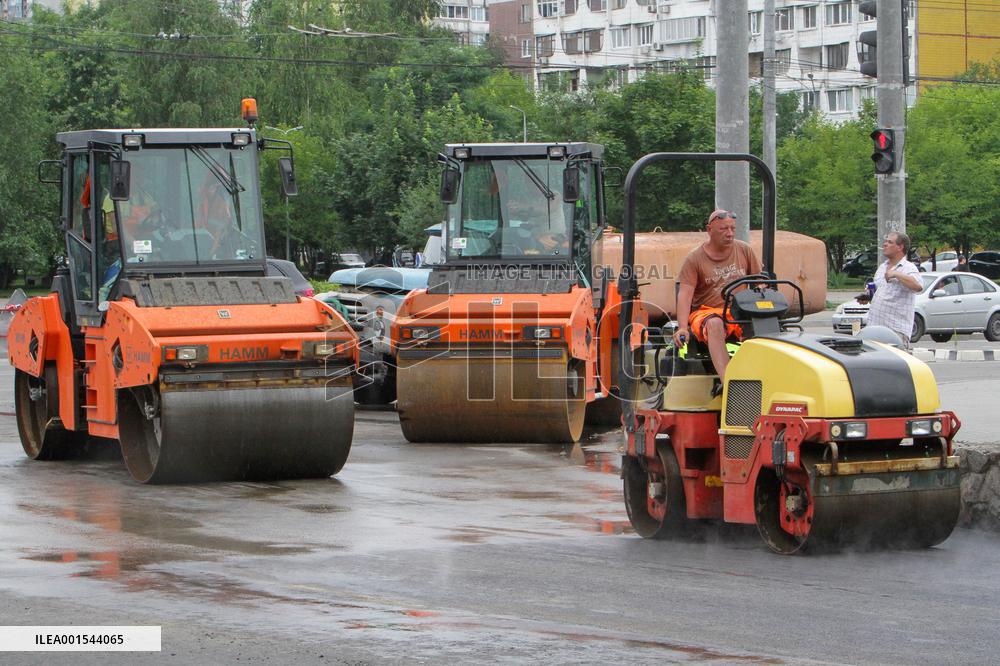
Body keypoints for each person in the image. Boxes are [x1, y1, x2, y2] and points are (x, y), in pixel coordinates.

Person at [672, 209, 762, 384]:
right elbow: (685, 295)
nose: (729, 233)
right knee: (715, 323)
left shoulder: (744, 250)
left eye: (732, 229)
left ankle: (765, 379)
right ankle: (730, 383)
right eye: (724, 229)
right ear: (709, 230)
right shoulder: (694, 258)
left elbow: (759, 281)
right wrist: (682, 327)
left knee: (765, 324)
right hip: (706, 312)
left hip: (739, 310)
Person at [866, 231, 923, 350]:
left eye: (890, 242)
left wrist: (896, 274)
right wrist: (867, 296)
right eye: (885, 241)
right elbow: (880, 292)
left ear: (900, 247)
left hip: (895, 331)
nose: (885, 244)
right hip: (874, 330)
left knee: (894, 367)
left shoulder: (908, 267)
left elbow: (918, 286)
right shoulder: (882, 267)